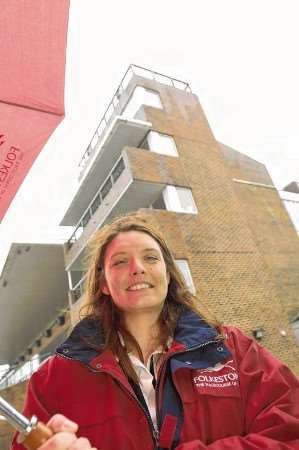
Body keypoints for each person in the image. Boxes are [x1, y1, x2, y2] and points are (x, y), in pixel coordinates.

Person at [12, 213, 299, 450]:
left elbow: (290, 431)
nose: (137, 269)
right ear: (103, 284)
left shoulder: (234, 349)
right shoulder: (54, 379)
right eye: (120, 261)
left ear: (168, 273)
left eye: (150, 258)